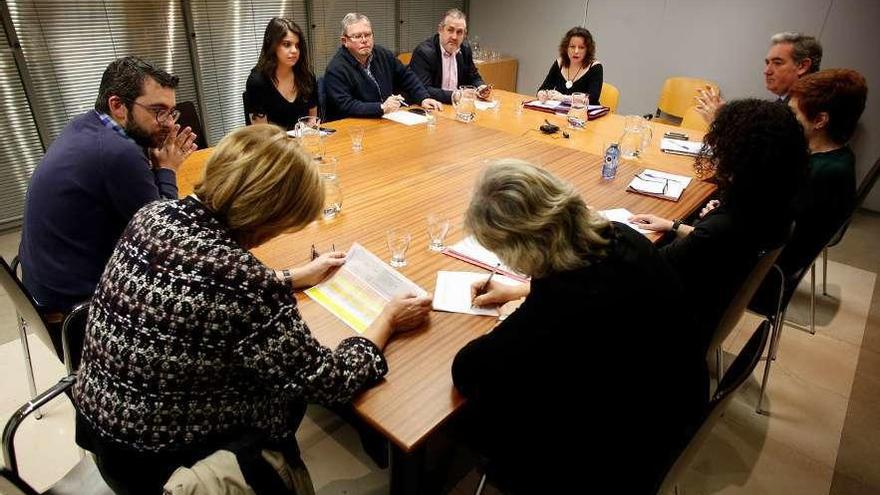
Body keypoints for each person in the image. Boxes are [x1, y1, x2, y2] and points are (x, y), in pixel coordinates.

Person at [73, 124, 433, 495]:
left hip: (102, 433)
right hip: (166, 468)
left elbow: (197, 279)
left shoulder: (154, 215)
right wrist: (387, 319)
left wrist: (292, 275)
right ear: (268, 214)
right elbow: (329, 381)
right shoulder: (245, 283)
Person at [451, 160, 708, 493]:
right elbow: (599, 292)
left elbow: (469, 370)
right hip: (677, 403)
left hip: (620, 457)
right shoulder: (617, 236)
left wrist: (525, 309)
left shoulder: (561, 304)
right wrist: (523, 289)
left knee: (469, 418)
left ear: (524, 251)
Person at [18, 56, 197, 360]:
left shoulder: (87, 124)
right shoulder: (117, 153)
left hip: (41, 288)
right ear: (117, 105)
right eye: (157, 111)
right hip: (78, 315)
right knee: (196, 291)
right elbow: (167, 235)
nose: (168, 123)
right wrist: (167, 169)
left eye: (171, 112)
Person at [630, 99, 808, 351]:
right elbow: (709, 242)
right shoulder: (772, 204)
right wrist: (674, 225)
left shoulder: (726, 227)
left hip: (669, 329)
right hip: (707, 306)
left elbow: (649, 267)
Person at [775, 69, 867, 282]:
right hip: (775, 258)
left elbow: (776, 229)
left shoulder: (825, 173)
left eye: (794, 114)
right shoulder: (838, 156)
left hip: (766, 274)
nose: (787, 120)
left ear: (820, 120)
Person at [324, 13, 442, 121]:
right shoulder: (336, 69)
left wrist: (423, 97)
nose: (364, 40)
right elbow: (345, 105)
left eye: (368, 35)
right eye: (357, 36)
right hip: (354, 126)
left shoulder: (382, 54)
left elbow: (406, 75)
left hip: (386, 119)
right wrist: (381, 107)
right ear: (345, 41)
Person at [697, 32, 823, 122]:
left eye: (777, 63)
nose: (767, 71)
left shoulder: (805, 108)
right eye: (767, 63)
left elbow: (760, 154)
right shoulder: (782, 102)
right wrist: (725, 115)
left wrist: (719, 122)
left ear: (802, 66)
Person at [245, 18, 318, 129]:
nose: (294, 50)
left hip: (304, 140)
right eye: (287, 44)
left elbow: (313, 119)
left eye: (297, 46)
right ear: (272, 47)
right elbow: (261, 132)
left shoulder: (306, 75)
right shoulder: (257, 81)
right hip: (273, 144)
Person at [408, 8, 489, 104]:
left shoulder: (465, 50)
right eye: (450, 30)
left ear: (464, 35)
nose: (454, 37)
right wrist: (456, 95)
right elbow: (422, 89)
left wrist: (481, 87)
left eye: (459, 32)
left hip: (458, 107)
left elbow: (474, 76)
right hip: (433, 107)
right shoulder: (424, 52)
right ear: (440, 30)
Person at [536, 27, 603, 105]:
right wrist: (542, 94)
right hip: (560, 112)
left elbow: (592, 99)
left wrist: (564, 98)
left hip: (583, 114)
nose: (576, 51)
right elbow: (544, 88)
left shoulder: (595, 67)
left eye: (581, 47)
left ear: (587, 50)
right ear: (566, 48)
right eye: (572, 47)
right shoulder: (559, 63)